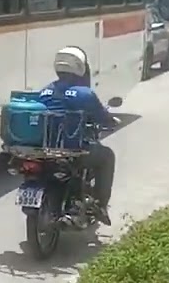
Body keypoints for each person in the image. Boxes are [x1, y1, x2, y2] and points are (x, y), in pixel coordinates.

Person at [38, 46, 118, 224]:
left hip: (44, 150)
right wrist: (110, 121)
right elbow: (102, 117)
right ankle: (100, 205)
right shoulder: (85, 93)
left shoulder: (44, 91)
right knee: (107, 157)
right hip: (74, 150)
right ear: (80, 68)